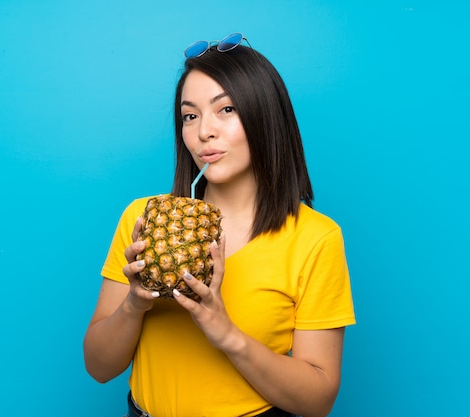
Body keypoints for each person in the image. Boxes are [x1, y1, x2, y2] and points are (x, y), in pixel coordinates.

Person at [83, 32, 355, 417]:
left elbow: (318, 400)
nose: (203, 132)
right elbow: (98, 368)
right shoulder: (143, 219)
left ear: (265, 115)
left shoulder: (315, 238)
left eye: (225, 110)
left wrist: (228, 335)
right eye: (190, 115)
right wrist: (133, 305)